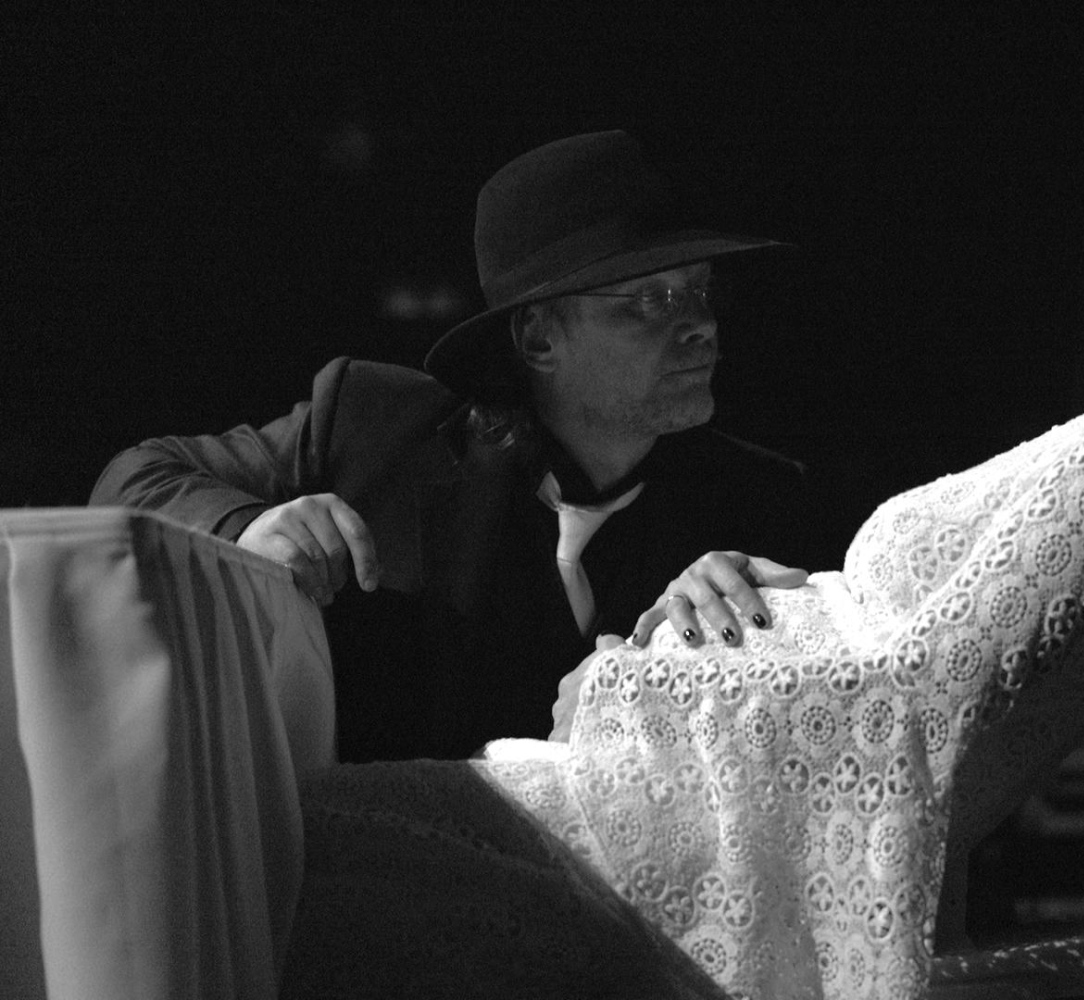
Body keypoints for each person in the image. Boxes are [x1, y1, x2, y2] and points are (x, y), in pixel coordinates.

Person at [278, 275, 1084, 1000]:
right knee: (241, 859)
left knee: (252, 864)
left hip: (665, 815)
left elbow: (926, 696)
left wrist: (663, 685)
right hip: (653, 776)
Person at [89, 131, 838, 762]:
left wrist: (784, 629)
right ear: (539, 339)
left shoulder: (760, 506)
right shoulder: (372, 431)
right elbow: (135, 478)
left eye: (701, 290)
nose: (702, 325)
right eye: (653, 300)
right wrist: (245, 528)